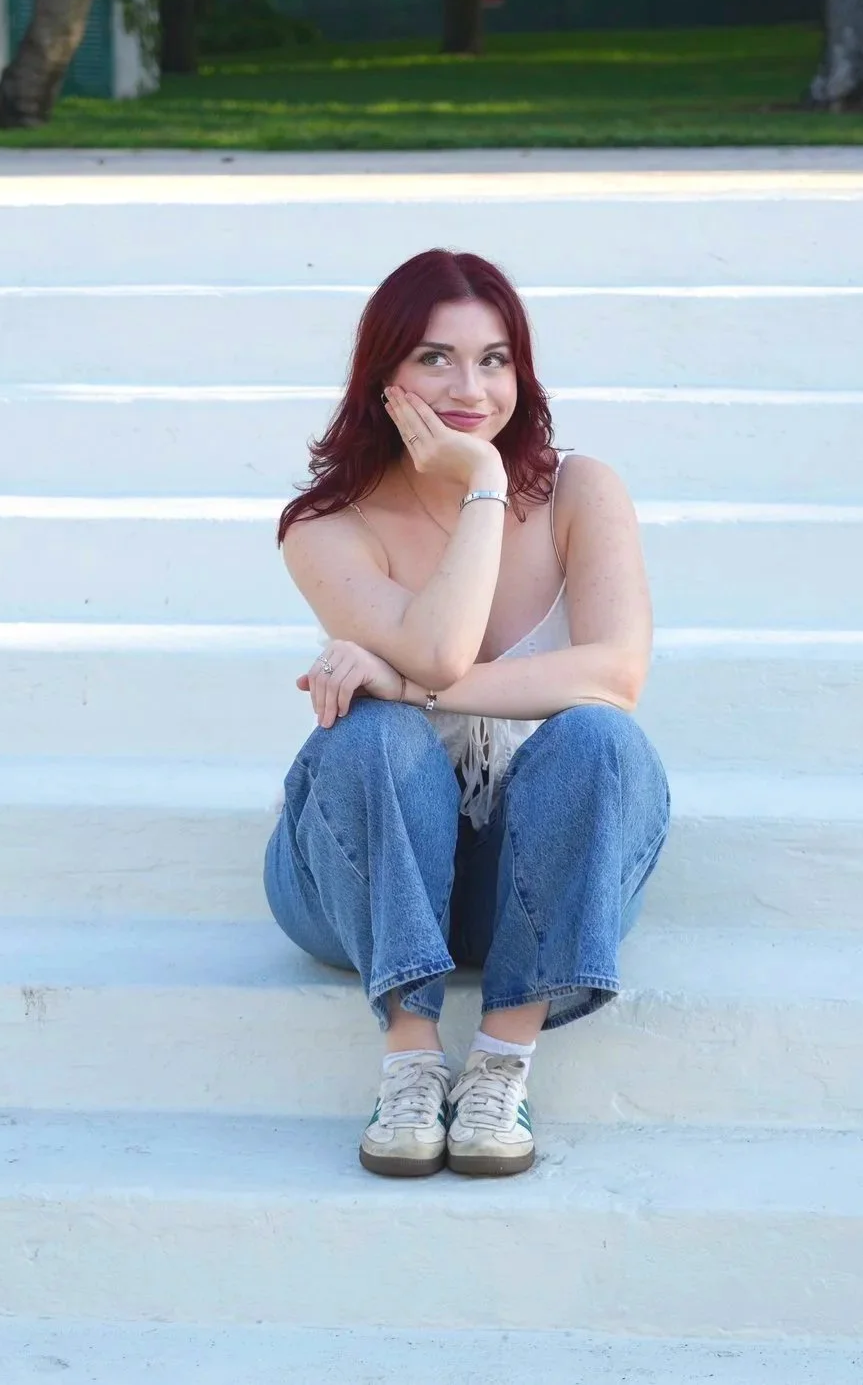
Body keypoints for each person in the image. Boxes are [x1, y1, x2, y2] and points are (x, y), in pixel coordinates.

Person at [263, 248, 670, 1178]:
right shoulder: (325, 524)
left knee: (600, 735)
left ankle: (500, 1063)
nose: (470, 388)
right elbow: (445, 649)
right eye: (434, 358)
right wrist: (484, 482)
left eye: (494, 359)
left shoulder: (580, 492)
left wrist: (408, 682)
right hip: (357, 883)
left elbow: (617, 673)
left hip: (531, 878)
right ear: (384, 374)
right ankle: (410, 1063)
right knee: (370, 730)